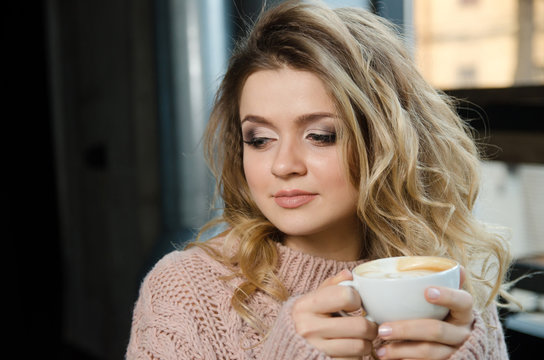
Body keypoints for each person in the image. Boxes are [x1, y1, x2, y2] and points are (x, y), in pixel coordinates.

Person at [126, 1, 512, 359]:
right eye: (259, 140)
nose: (283, 165)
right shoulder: (184, 291)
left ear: (385, 142)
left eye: (320, 135)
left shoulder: (449, 285)